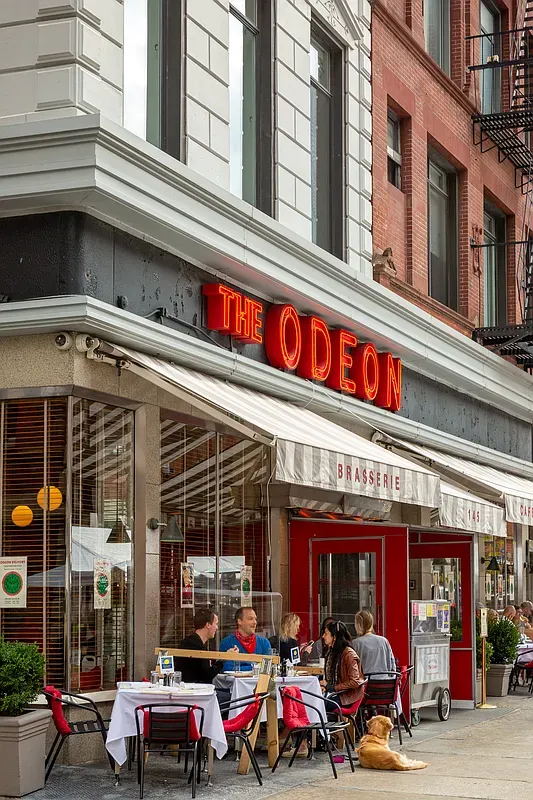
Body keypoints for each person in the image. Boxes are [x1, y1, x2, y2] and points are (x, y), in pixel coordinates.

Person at [174, 608, 238, 683]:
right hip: (195, 691)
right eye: (216, 624)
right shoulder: (195, 646)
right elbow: (207, 675)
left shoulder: (191, 642)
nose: (217, 627)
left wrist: (225, 656)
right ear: (208, 625)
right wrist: (223, 659)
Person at [320, 620, 365, 709]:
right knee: (313, 701)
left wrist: (332, 687)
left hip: (347, 697)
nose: (323, 636)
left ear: (334, 637)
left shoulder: (349, 654)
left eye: (326, 634)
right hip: (338, 694)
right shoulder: (333, 651)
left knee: (318, 704)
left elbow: (354, 682)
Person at [220, 606, 272, 671]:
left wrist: (242, 664)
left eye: (255, 619)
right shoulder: (226, 643)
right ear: (239, 621)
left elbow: (268, 668)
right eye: (250, 619)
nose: (255, 622)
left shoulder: (264, 643)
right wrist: (254, 666)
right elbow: (227, 668)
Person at [353, 610, 396, 679]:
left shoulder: (356, 643)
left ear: (358, 625)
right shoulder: (384, 641)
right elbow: (392, 665)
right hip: (386, 685)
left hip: (366, 686)